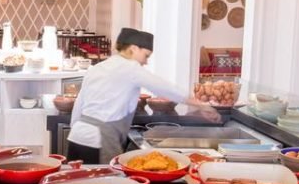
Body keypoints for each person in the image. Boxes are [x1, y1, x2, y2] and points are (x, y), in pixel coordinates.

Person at [66, 27, 218, 164]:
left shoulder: (98, 68)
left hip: (77, 137)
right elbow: (166, 88)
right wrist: (202, 106)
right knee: (106, 183)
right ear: (133, 48)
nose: (146, 62)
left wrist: (77, 131)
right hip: (99, 140)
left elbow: (79, 105)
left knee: (75, 182)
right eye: (146, 56)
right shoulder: (130, 68)